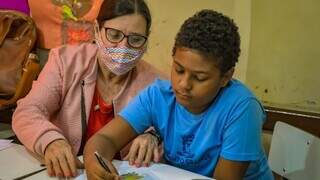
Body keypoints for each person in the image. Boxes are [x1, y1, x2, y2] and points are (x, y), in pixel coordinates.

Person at [83, 9, 274, 180]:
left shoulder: (242, 108)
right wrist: (94, 163)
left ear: (226, 77)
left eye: (199, 78)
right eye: (179, 70)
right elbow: (104, 139)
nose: (183, 84)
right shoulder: (158, 96)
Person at [12, 0, 166, 178]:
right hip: (68, 173)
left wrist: (154, 138)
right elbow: (28, 111)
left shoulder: (156, 83)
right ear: (96, 30)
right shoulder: (65, 62)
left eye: (136, 40)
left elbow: (170, 130)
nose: (123, 48)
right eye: (114, 35)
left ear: (146, 40)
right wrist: (50, 141)